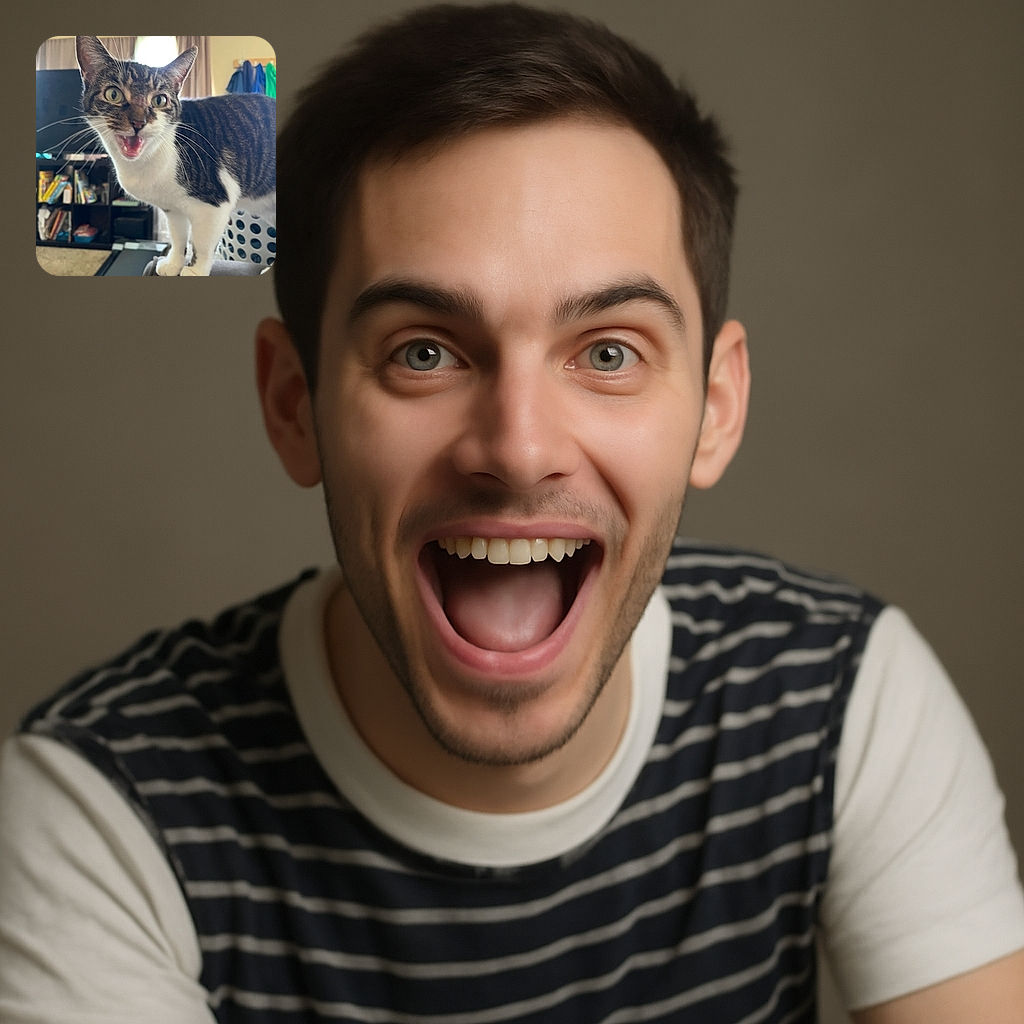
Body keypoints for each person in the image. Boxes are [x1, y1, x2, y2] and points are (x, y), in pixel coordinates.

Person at [2, 4, 1023, 1021]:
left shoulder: (840, 700)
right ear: (294, 405)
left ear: (715, 408)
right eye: (424, 351)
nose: (519, 448)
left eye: (608, 352)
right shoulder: (99, 819)